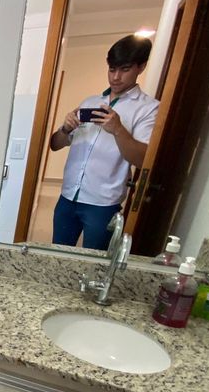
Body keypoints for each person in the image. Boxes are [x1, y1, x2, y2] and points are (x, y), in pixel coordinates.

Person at [49, 35, 160, 250]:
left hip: (102, 204)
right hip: (68, 197)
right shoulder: (90, 102)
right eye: (112, 69)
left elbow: (143, 160)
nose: (116, 77)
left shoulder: (148, 109)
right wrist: (65, 129)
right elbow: (55, 144)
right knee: (58, 254)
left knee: (95, 262)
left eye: (124, 69)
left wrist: (118, 130)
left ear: (141, 67)